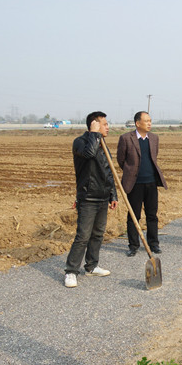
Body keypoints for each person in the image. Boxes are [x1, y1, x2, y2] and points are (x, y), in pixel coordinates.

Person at [64, 111, 118, 288]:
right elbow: (88, 154)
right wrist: (94, 135)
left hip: (102, 197)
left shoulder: (102, 144)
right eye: (104, 124)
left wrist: (113, 194)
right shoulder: (81, 142)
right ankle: (71, 271)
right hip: (88, 197)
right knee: (83, 236)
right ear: (94, 125)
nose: (108, 127)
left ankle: (92, 265)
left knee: (98, 234)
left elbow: (108, 171)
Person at [117, 111, 168, 256]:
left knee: (152, 214)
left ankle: (154, 244)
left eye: (150, 120)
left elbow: (154, 157)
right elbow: (121, 160)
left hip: (151, 182)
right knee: (134, 215)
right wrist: (130, 172)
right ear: (137, 123)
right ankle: (133, 245)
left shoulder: (154, 138)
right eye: (146, 121)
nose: (149, 123)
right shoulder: (126, 138)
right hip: (134, 183)